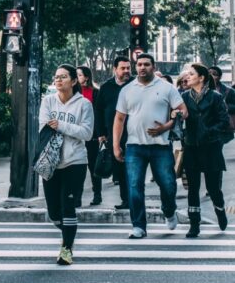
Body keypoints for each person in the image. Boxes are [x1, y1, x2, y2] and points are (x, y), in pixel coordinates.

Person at [113, 53, 188, 238]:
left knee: (168, 184)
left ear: (153, 67)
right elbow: (119, 119)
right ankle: (138, 226)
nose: (142, 67)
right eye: (139, 64)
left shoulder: (166, 88)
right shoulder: (127, 90)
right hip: (134, 147)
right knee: (134, 186)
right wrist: (116, 145)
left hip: (160, 146)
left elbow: (183, 111)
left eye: (146, 64)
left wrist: (167, 126)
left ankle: (169, 211)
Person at [39, 63, 94, 265]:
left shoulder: (84, 104)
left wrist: (61, 125)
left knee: (68, 205)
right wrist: (66, 128)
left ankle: (66, 249)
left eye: (63, 76)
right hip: (50, 161)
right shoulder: (48, 101)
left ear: (73, 81)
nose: (58, 80)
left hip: (75, 161)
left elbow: (87, 133)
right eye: (56, 76)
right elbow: (44, 126)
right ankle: (69, 232)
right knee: (54, 212)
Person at [180, 63, 229, 238]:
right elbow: (178, 118)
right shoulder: (184, 97)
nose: (188, 77)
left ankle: (220, 210)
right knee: (193, 187)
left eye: (191, 74)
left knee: (213, 187)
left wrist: (209, 131)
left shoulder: (215, 97)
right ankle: (194, 224)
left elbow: (224, 122)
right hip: (191, 146)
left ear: (201, 78)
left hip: (211, 147)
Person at [96, 56, 133, 209]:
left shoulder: (135, 85)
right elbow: (98, 111)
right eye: (122, 68)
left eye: (128, 68)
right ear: (115, 69)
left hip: (134, 133)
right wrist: (101, 133)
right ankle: (126, 200)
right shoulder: (106, 87)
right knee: (119, 169)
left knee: (133, 169)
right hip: (114, 135)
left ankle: (134, 200)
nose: (126, 71)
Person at [76, 65, 101, 206]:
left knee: (93, 167)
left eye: (79, 75)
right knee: (78, 168)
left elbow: (98, 115)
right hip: (76, 135)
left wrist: (100, 134)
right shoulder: (74, 93)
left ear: (86, 77)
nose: (77, 77)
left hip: (92, 136)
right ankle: (77, 197)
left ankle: (97, 194)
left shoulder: (95, 92)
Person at [209, 65, 235, 144]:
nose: (211, 76)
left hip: (221, 127)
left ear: (220, 77)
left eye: (214, 74)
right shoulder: (199, 89)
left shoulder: (229, 91)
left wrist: (226, 106)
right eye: (209, 73)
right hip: (206, 127)